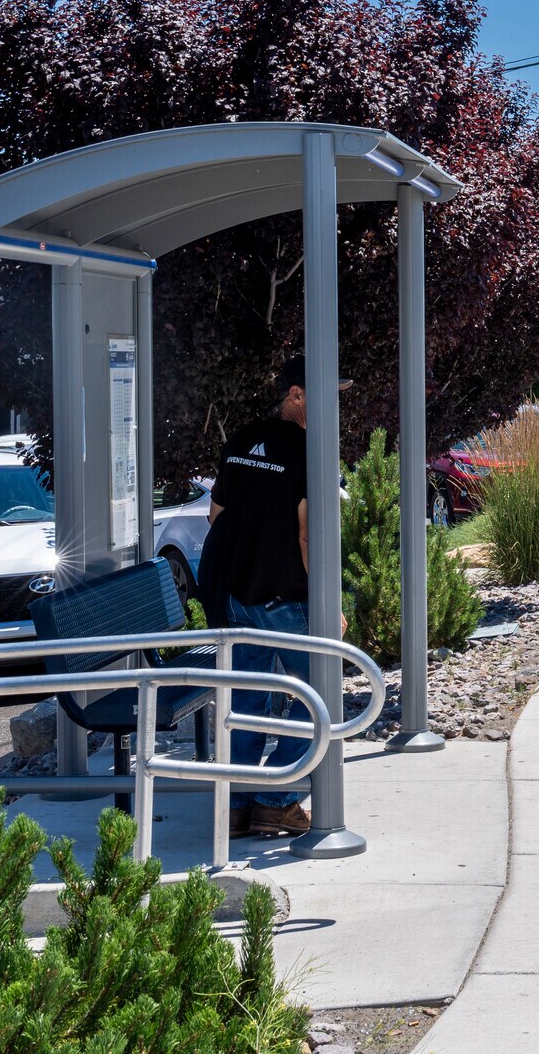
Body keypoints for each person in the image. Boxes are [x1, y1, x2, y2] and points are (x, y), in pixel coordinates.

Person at [203, 354, 344, 838]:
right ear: (296, 395)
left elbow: (215, 516)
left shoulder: (242, 440)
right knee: (321, 697)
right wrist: (331, 604)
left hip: (239, 597)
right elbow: (308, 537)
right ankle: (276, 800)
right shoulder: (310, 450)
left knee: (247, 702)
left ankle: (239, 806)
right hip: (286, 599)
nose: (335, 405)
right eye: (325, 394)